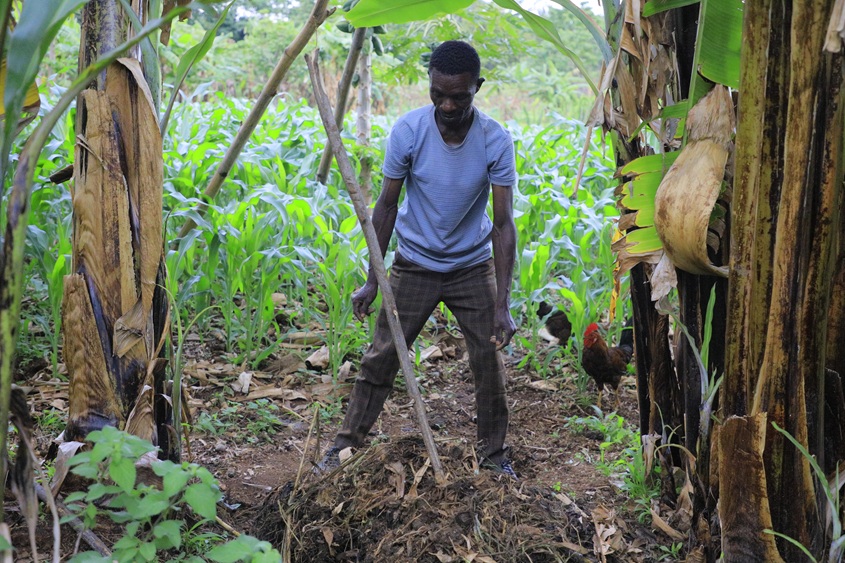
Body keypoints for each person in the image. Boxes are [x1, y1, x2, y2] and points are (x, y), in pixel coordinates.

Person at [318, 40, 518, 478]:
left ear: (477, 88)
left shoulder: (495, 140)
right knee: (381, 358)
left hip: (470, 266)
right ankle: (344, 448)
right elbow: (386, 207)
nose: (447, 105)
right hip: (414, 264)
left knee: (489, 363)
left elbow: (503, 225)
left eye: (459, 96)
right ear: (429, 85)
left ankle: (493, 456)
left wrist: (502, 304)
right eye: (438, 94)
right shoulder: (409, 132)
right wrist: (375, 279)